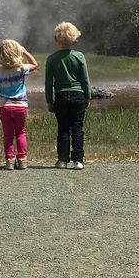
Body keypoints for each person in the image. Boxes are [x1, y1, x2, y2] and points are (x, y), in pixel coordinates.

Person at [45, 21, 91, 169]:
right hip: (78, 95)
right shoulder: (79, 56)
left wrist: (49, 101)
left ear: (56, 39)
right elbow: (85, 79)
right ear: (75, 38)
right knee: (77, 128)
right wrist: (87, 96)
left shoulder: (51, 59)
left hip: (61, 97)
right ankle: (78, 160)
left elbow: (48, 83)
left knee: (63, 128)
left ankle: (62, 160)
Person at [0, 39, 37, 170]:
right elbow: (35, 64)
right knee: (21, 133)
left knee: (8, 134)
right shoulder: (21, 69)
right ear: (17, 53)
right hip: (21, 106)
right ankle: (22, 160)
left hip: (5, 106)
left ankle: (10, 160)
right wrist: (25, 51)